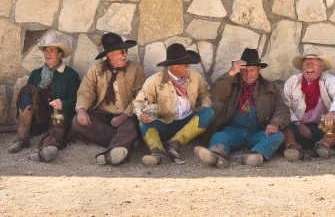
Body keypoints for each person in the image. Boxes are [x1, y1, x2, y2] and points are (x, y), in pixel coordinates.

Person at [194, 48, 289, 168]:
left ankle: (254, 155)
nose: (248, 74)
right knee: (219, 136)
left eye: (252, 70)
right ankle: (216, 155)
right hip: (233, 130)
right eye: (244, 70)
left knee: (278, 136)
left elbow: (282, 108)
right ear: (239, 70)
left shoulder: (269, 86)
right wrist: (230, 74)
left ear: (259, 70)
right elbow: (216, 94)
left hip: (257, 131)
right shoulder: (231, 83)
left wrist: (275, 123)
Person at [133, 43, 215, 167]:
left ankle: (174, 144)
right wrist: (141, 114)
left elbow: (205, 93)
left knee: (209, 113)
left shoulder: (195, 77)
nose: (189, 67)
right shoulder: (154, 81)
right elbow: (138, 103)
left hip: (188, 124)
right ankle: (158, 152)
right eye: (185, 64)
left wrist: (205, 104)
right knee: (143, 122)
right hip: (164, 124)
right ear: (173, 67)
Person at [69, 32, 145, 165]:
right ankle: (125, 145)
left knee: (130, 127)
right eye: (122, 52)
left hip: (126, 115)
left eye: (126, 51)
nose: (125, 55)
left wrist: (124, 115)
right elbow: (85, 92)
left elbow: (141, 96)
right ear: (110, 55)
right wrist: (81, 109)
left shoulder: (135, 69)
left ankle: (114, 152)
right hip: (102, 115)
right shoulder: (96, 70)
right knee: (77, 122)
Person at [8, 31, 80, 163]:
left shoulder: (71, 75)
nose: (47, 54)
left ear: (60, 54)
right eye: (46, 51)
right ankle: (22, 138)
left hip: (58, 114)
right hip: (39, 115)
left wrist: (62, 103)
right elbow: (27, 100)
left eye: (51, 50)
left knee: (58, 121)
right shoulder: (36, 74)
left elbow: (75, 101)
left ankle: (48, 148)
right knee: (27, 90)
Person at [282, 47, 335, 161]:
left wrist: (334, 112)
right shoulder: (293, 82)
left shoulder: (328, 80)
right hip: (298, 129)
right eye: (306, 63)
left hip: (324, 129)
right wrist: (298, 124)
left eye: (313, 63)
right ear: (302, 67)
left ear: (321, 67)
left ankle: (323, 145)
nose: (309, 66)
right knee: (281, 120)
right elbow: (284, 106)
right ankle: (293, 148)